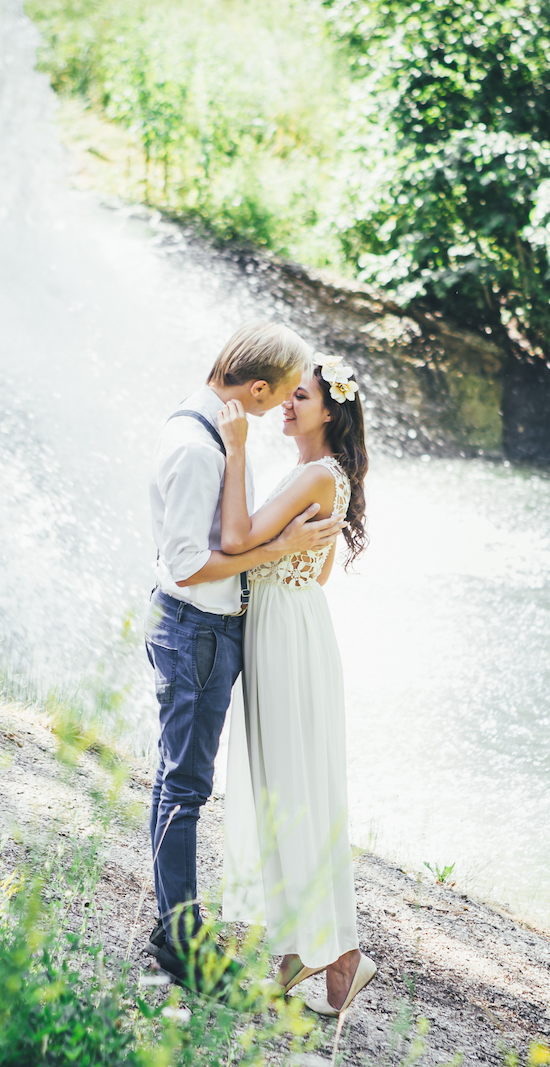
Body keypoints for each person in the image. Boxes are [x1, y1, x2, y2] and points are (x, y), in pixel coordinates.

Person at [144, 322, 343, 994]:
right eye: (282, 392)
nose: (282, 405)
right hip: (197, 628)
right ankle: (180, 940)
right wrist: (277, 549)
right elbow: (192, 561)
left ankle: (174, 926)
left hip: (204, 628)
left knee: (177, 780)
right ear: (257, 387)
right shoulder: (204, 448)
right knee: (186, 787)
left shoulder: (209, 429)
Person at [217, 354, 377, 1016]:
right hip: (298, 626)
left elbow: (237, 537)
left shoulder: (314, 474)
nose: (286, 403)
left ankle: (326, 955)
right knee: (298, 788)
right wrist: (275, 574)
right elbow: (315, 575)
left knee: (292, 788)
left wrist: (234, 449)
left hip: (286, 635)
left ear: (329, 410)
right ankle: (324, 958)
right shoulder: (329, 476)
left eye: (300, 397)